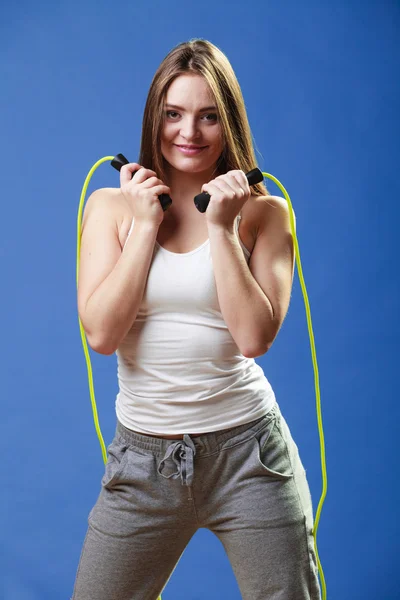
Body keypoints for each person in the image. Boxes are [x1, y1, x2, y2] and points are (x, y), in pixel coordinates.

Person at [72, 39, 321, 600]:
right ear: (154, 118)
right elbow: (103, 335)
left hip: (250, 455)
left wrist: (221, 228)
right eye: (174, 114)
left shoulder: (265, 214)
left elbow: (255, 338)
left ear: (227, 122)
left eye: (209, 116)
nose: (190, 132)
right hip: (143, 460)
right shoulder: (109, 208)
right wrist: (142, 224)